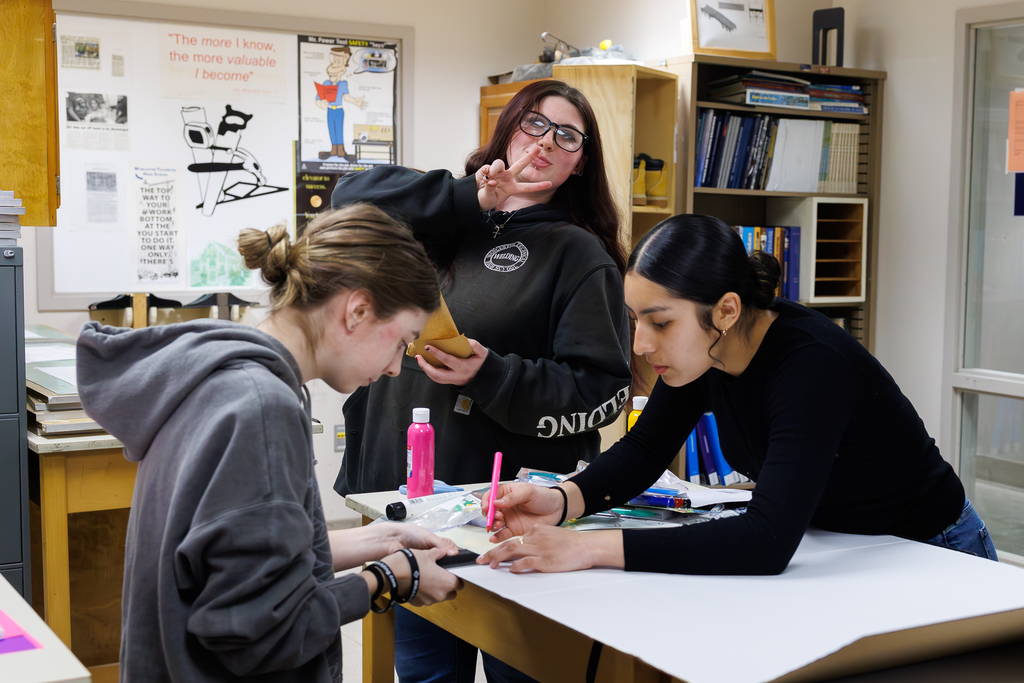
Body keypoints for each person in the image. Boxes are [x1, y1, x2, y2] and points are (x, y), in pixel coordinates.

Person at [481, 214, 998, 576]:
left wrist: (588, 547)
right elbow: (644, 450)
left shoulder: (812, 365)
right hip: (848, 545)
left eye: (660, 323)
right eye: (636, 321)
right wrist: (562, 499)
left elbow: (767, 541)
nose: (640, 345)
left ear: (726, 310)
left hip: (930, 547)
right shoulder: (705, 353)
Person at [76, 205, 463, 682]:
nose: (391, 368)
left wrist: (378, 539)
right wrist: (389, 578)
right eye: (402, 341)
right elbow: (260, 633)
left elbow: (236, 555)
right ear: (357, 311)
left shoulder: (219, 377)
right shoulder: (262, 409)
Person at [330, 80, 632, 682]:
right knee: (423, 676)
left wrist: (493, 375)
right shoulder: (447, 221)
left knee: (521, 671)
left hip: (503, 525)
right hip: (408, 513)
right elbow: (347, 198)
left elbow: (604, 394)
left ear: (580, 162)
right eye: (532, 124)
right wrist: (473, 197)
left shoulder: (579, 255)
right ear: (507, 129)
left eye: (566, 136)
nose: (544, 142)